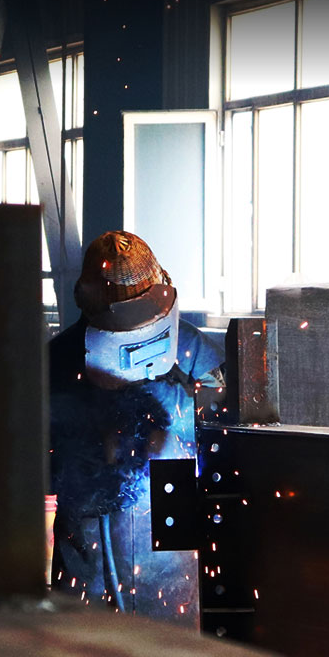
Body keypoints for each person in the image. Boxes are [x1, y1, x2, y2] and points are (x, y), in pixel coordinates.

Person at [49, 231, 224, 624]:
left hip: (170, 519)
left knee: (170, 637)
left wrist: (173, 413)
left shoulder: (189, 349)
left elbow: (222, 423)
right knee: (87, 643)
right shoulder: (60, 360)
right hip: (89, 532)